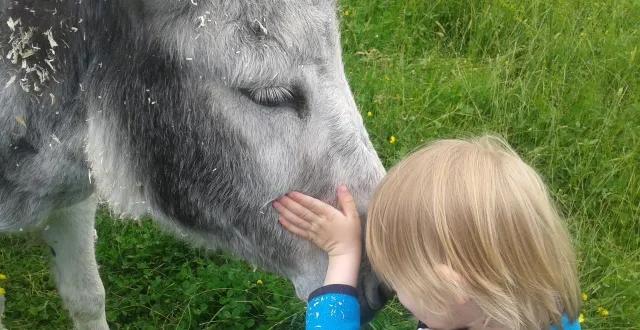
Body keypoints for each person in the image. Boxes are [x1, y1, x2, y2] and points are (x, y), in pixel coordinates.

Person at [272, 135, 582, 330]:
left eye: (396, 281)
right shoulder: (553, 311)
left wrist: (343, 255)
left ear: (451, 290)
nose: (390, 286)